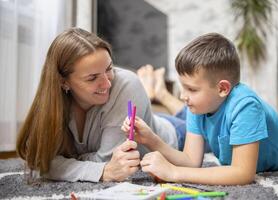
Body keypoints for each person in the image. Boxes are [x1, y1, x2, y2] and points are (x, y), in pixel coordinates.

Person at [122, 33, 278, 185]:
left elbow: (243, 174)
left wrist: (174, 173)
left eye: (191, 89)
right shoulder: (197, 107)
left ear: (222, 89)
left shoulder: (245, 105)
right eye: (182, 87)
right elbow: (191, 161)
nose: (183, 96)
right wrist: (151, 139)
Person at [16, 27, 180, 183]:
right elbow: (41, 160)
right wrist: (101, 170)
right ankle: (155, 93)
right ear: (63, 82)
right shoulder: (53, 100)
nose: (107, 83)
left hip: (174, 133)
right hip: (152, 117)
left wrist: (69, 161)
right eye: (92, 78)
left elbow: (109, 161)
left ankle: (162, 94)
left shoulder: (127, 84)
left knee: (198, 113)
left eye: (109, 68)